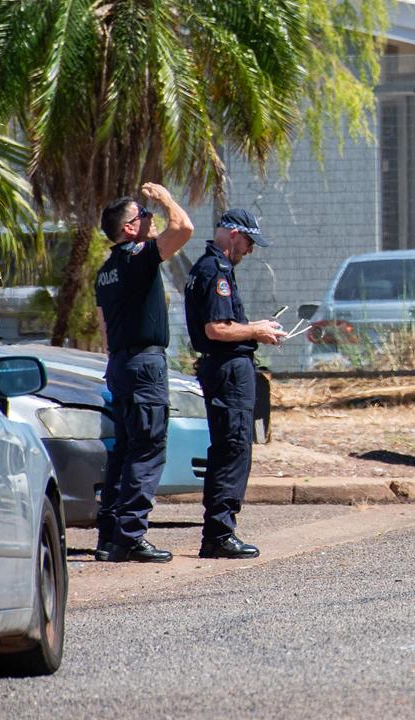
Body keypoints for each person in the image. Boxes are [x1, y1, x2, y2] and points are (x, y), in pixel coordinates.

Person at [94, 184, 194, 563]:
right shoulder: (138, 258)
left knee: (124, 449)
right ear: (130, 229)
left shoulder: (106, 272)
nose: (152, 221)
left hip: (120, 363)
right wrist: (167, 199)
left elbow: (105, 327)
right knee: (148, 448)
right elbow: (184, 229)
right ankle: (131, 535)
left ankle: (110, 536)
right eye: (145, 216)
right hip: (143, 365)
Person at [184, 209, 286, 559]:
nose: (250, 251)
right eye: (247, 242)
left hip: (226, 369)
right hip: (227, 370)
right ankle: (219, 533)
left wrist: (257, 328)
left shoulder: (210, 268)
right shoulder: (215, 271)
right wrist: (256, 330)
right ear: (231, 233)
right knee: (232, 448)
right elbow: (217, 329)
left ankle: (219, 531)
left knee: (231, 447)